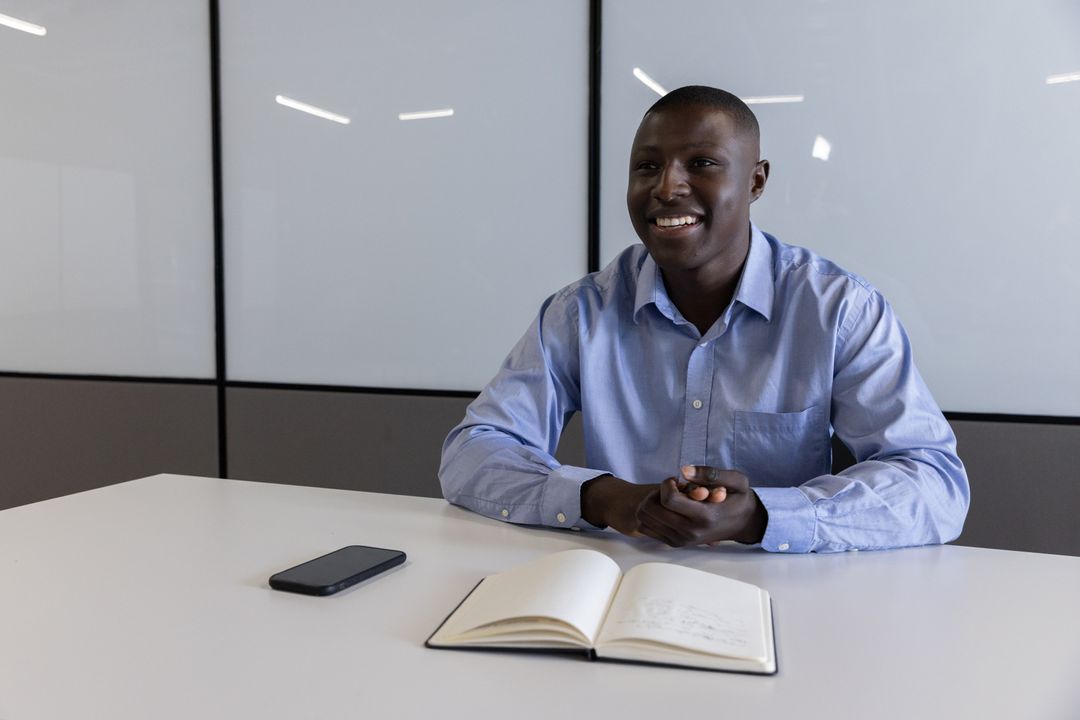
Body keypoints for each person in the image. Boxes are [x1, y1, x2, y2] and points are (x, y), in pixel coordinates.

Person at [439, 85, 969, 553]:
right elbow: (472, 452)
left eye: (702, 164)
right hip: (623, 586)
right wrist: (603, 498)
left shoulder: (839, 310)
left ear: (757, 181)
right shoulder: (583, 311)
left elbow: (933, 482)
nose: (667, 187)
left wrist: (761, 515)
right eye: (647, 166)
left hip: (789, 601)